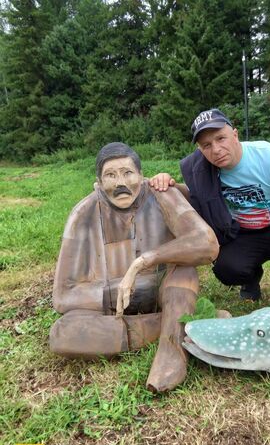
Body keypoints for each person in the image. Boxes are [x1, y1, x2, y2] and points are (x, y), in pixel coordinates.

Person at [49, 142, 219, 392]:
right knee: (63, 334)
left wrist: (143, 262)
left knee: (184, 271)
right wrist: (120, 291)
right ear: (98, 183)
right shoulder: (82, 214)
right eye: (110, 175)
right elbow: (63, 297)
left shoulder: (161, 193)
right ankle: (178, 325)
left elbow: (207, 243)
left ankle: (172, 351)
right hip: (111, 309)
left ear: (141, 175)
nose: (121, 183)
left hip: (166, 290)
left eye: (127, 173)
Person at [150, 109, 270, 306]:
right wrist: (169, 185)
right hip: (243, 231)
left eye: (221, 138)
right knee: (226, 268)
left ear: (235, 135)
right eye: (207, 145)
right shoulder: (202, 169)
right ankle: (250, 278)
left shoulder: (268, 155)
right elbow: (196, 195)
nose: (216, 149)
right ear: (200, 149)